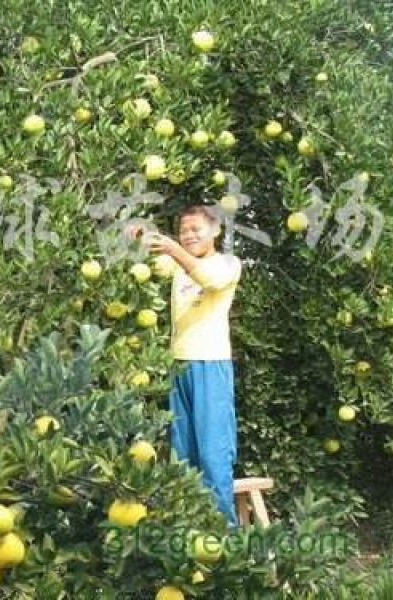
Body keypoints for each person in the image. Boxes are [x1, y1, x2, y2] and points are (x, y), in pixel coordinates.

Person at [129, 205, 242, 527]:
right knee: (182, 455)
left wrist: (175, 249)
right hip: (179, 367)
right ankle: (188, 529)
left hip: (211, 365)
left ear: (216, 231)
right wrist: (137, 231)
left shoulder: (227, 265)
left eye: (196, 230)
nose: (189, 236)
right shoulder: (178, 265)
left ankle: (224, 535)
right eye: (184, 231)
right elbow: (153, 254)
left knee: (213, 454)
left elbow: (208, 278)